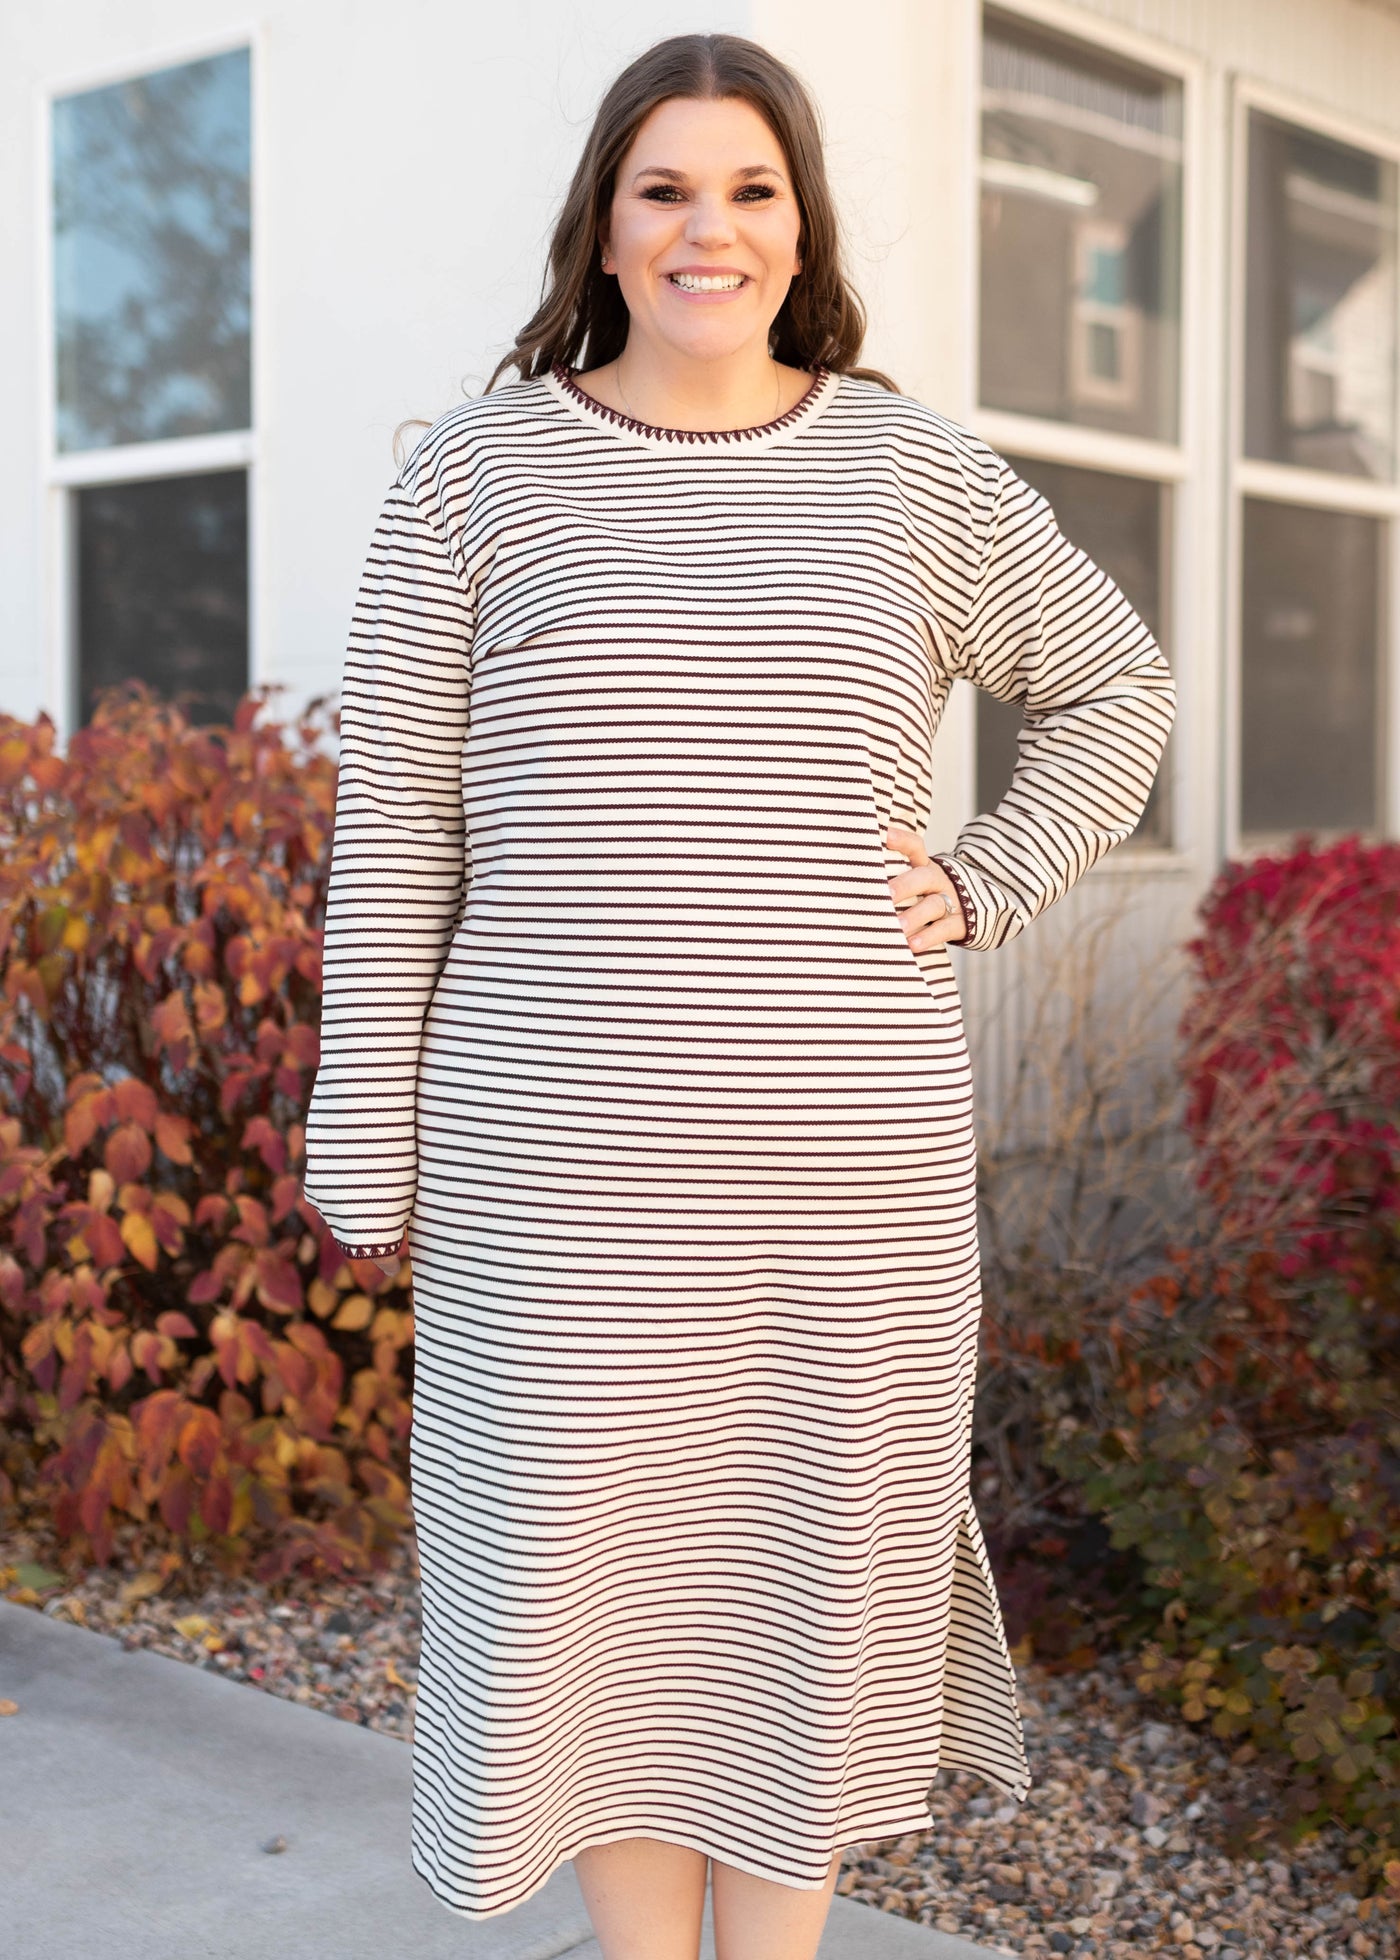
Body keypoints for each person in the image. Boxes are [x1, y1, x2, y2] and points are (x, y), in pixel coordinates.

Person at [301, 30, 1175, 1960]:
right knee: (583, 1610)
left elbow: (1117, 690)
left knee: (799, 1596)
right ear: (604, 228)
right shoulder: (473, 474)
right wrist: (365, 1115)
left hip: (838, 1188)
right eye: (666, 188)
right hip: (560, 1189)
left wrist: (987, 875)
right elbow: (402, 829)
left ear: (802, 222)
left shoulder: (910, 472)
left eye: (751, 188)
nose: (712, 229)